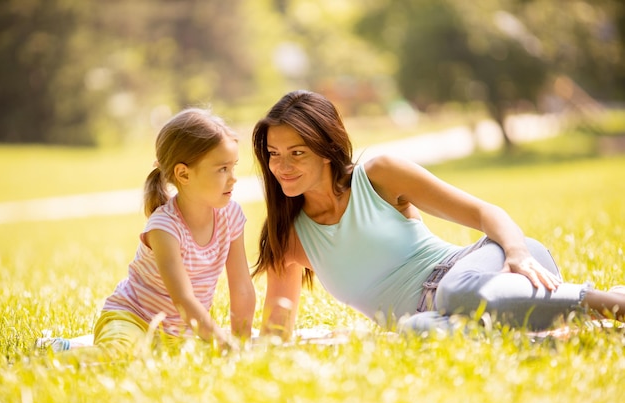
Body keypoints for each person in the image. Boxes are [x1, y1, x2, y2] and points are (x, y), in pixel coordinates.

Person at [251, 90, 625, 339]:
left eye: (296, 153)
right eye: (273, 153)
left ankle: (612, 305)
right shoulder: (289, 236)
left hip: (495, 268)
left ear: (327, 148)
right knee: (416, 330)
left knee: (456, 291)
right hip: (449, 312)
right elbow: (276, 327)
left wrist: (517, 254)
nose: (281, 166)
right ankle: (576, 329)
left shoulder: (378, 175)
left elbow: (484, 212)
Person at [38, 108, 256, 355]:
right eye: (222, 169)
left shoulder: (231, 216)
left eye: (233, 166)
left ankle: (71, 345)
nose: (233, 178)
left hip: (181, 333)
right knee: (123, 356)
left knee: (203, 355)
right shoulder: (165, 227)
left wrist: (242, 343)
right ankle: (54, 356)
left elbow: (242, 288)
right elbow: (183, 299)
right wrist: (222, 343)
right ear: (183, 174)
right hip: (133, 319)